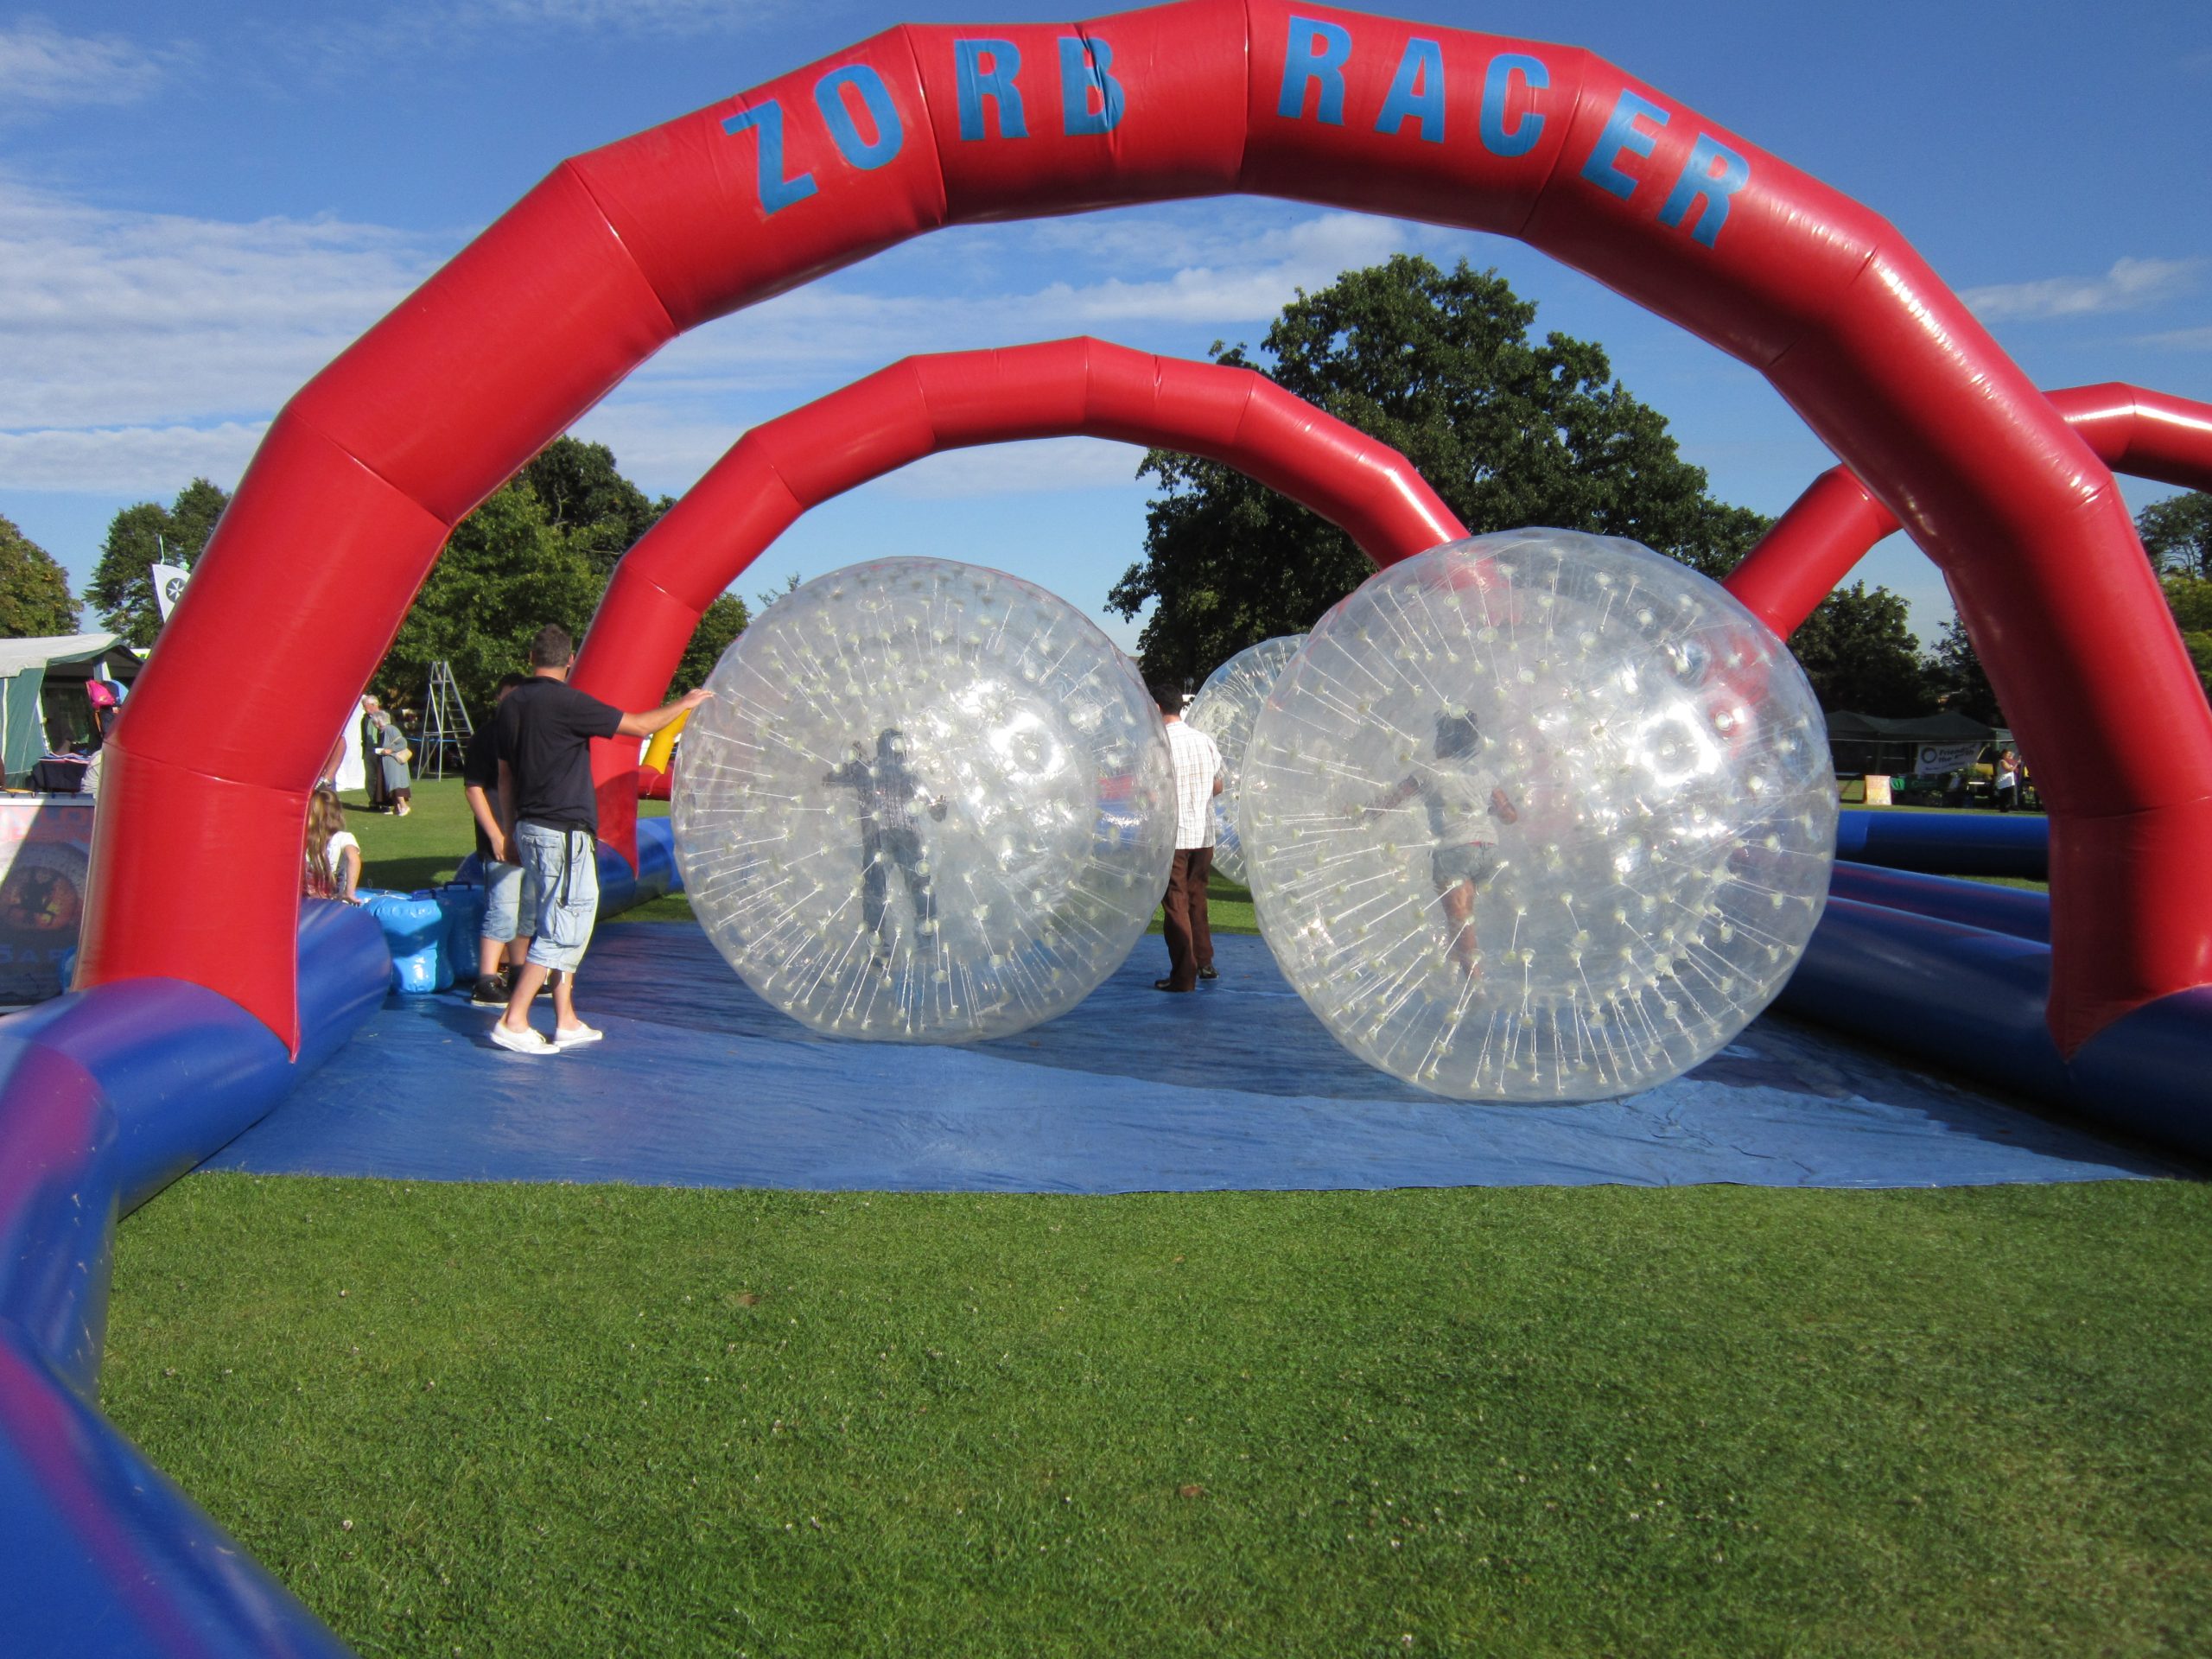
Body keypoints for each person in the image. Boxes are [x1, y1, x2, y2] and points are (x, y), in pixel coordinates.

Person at [489, 625, 710, 1055]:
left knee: (566, 918)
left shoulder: (511, 705)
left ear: (531, 655)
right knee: (563, 925)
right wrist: (686, 703)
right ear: (570, 660)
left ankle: (565, 1019)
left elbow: (504, 775)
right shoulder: (569, 703)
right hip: (563, 830)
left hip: (531, 826)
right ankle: (513, 1019)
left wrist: (511, 827)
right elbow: (642, 724)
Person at [1364, 711, 1518, 979]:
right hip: (1487, 851)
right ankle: (1452, 971)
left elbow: (1392, 800)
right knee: (1460, 914)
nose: (1434, 743)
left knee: (1460, 920)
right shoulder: (1483, 774)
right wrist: (1481, 809)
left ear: (1446, 740)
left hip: (1455, 851)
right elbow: (1509, 815)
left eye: (1438, 736)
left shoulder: (1427, 772)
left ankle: (1475, 983)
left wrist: (1361, 814)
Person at [823, 728, 949, 969]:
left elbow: (828, 780)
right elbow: (936, 812)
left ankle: (879, 952)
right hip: (906, 836)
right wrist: (940, 805)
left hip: (878, 838)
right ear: (901, 748)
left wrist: (852, 761)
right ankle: (925, 944)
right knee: (920, 890)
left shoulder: (865, 769)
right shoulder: (909, 774)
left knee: (875, 895)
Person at [464, 673, 535, 1005]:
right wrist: (495, 833)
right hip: (503, 836)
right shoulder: (488, 737)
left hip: (531, 835)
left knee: (528, 908)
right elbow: (474, 786)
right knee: (503, 908)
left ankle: (519, 969)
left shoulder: (530, 734)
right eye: (510, 697)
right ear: (499, 699)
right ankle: (487, 978)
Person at [1152, 683, 1224, 993]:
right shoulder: (1204, 741)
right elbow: (1218, 786)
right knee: (1197, 896)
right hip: (1204, 833)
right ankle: (1204, 962)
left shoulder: (1157, 746)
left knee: (1176, 902)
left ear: (1156, 709)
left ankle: (1184, 976)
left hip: (1175, 835)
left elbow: (1152, 796)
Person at [302, 785, 360, 902]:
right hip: (333, 903)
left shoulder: (302, 839)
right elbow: (353, 859)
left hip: (305, 902)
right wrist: (350, 893)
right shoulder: (344, 838)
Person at [374, 706, 413, 817]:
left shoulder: (390, 729)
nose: (376, 725)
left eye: (376, 723)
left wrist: (390, 750)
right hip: (388, 763)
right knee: (390, 785)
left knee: (396, 785)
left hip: (395, 763)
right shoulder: (383, 731)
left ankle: (404, 806)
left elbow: (403, 743)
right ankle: (397, 808)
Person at [359, 696, 388, 812]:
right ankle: (374, 802)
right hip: (369, 752)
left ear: (374, 705)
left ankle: (386, 803)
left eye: (365, 706)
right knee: (370, 778)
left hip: (382, 751)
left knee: (383, 777)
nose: (364, 709)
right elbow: (364, 736)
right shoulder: (365, 719)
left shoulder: (386, 716)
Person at [1994, 747, 2021, 812]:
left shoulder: (2008, 761)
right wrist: (2016, 764)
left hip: (2008, 782)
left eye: (2010, 754)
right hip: (2004, 782)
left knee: (2009, 796)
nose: (2009, 755)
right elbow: (2009, 769)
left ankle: (2006, 808)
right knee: (2005, 796)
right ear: (2003, 754)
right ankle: (2004, 809)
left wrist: (2016, 762)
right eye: (2008, 754)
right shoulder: (2002, 761)